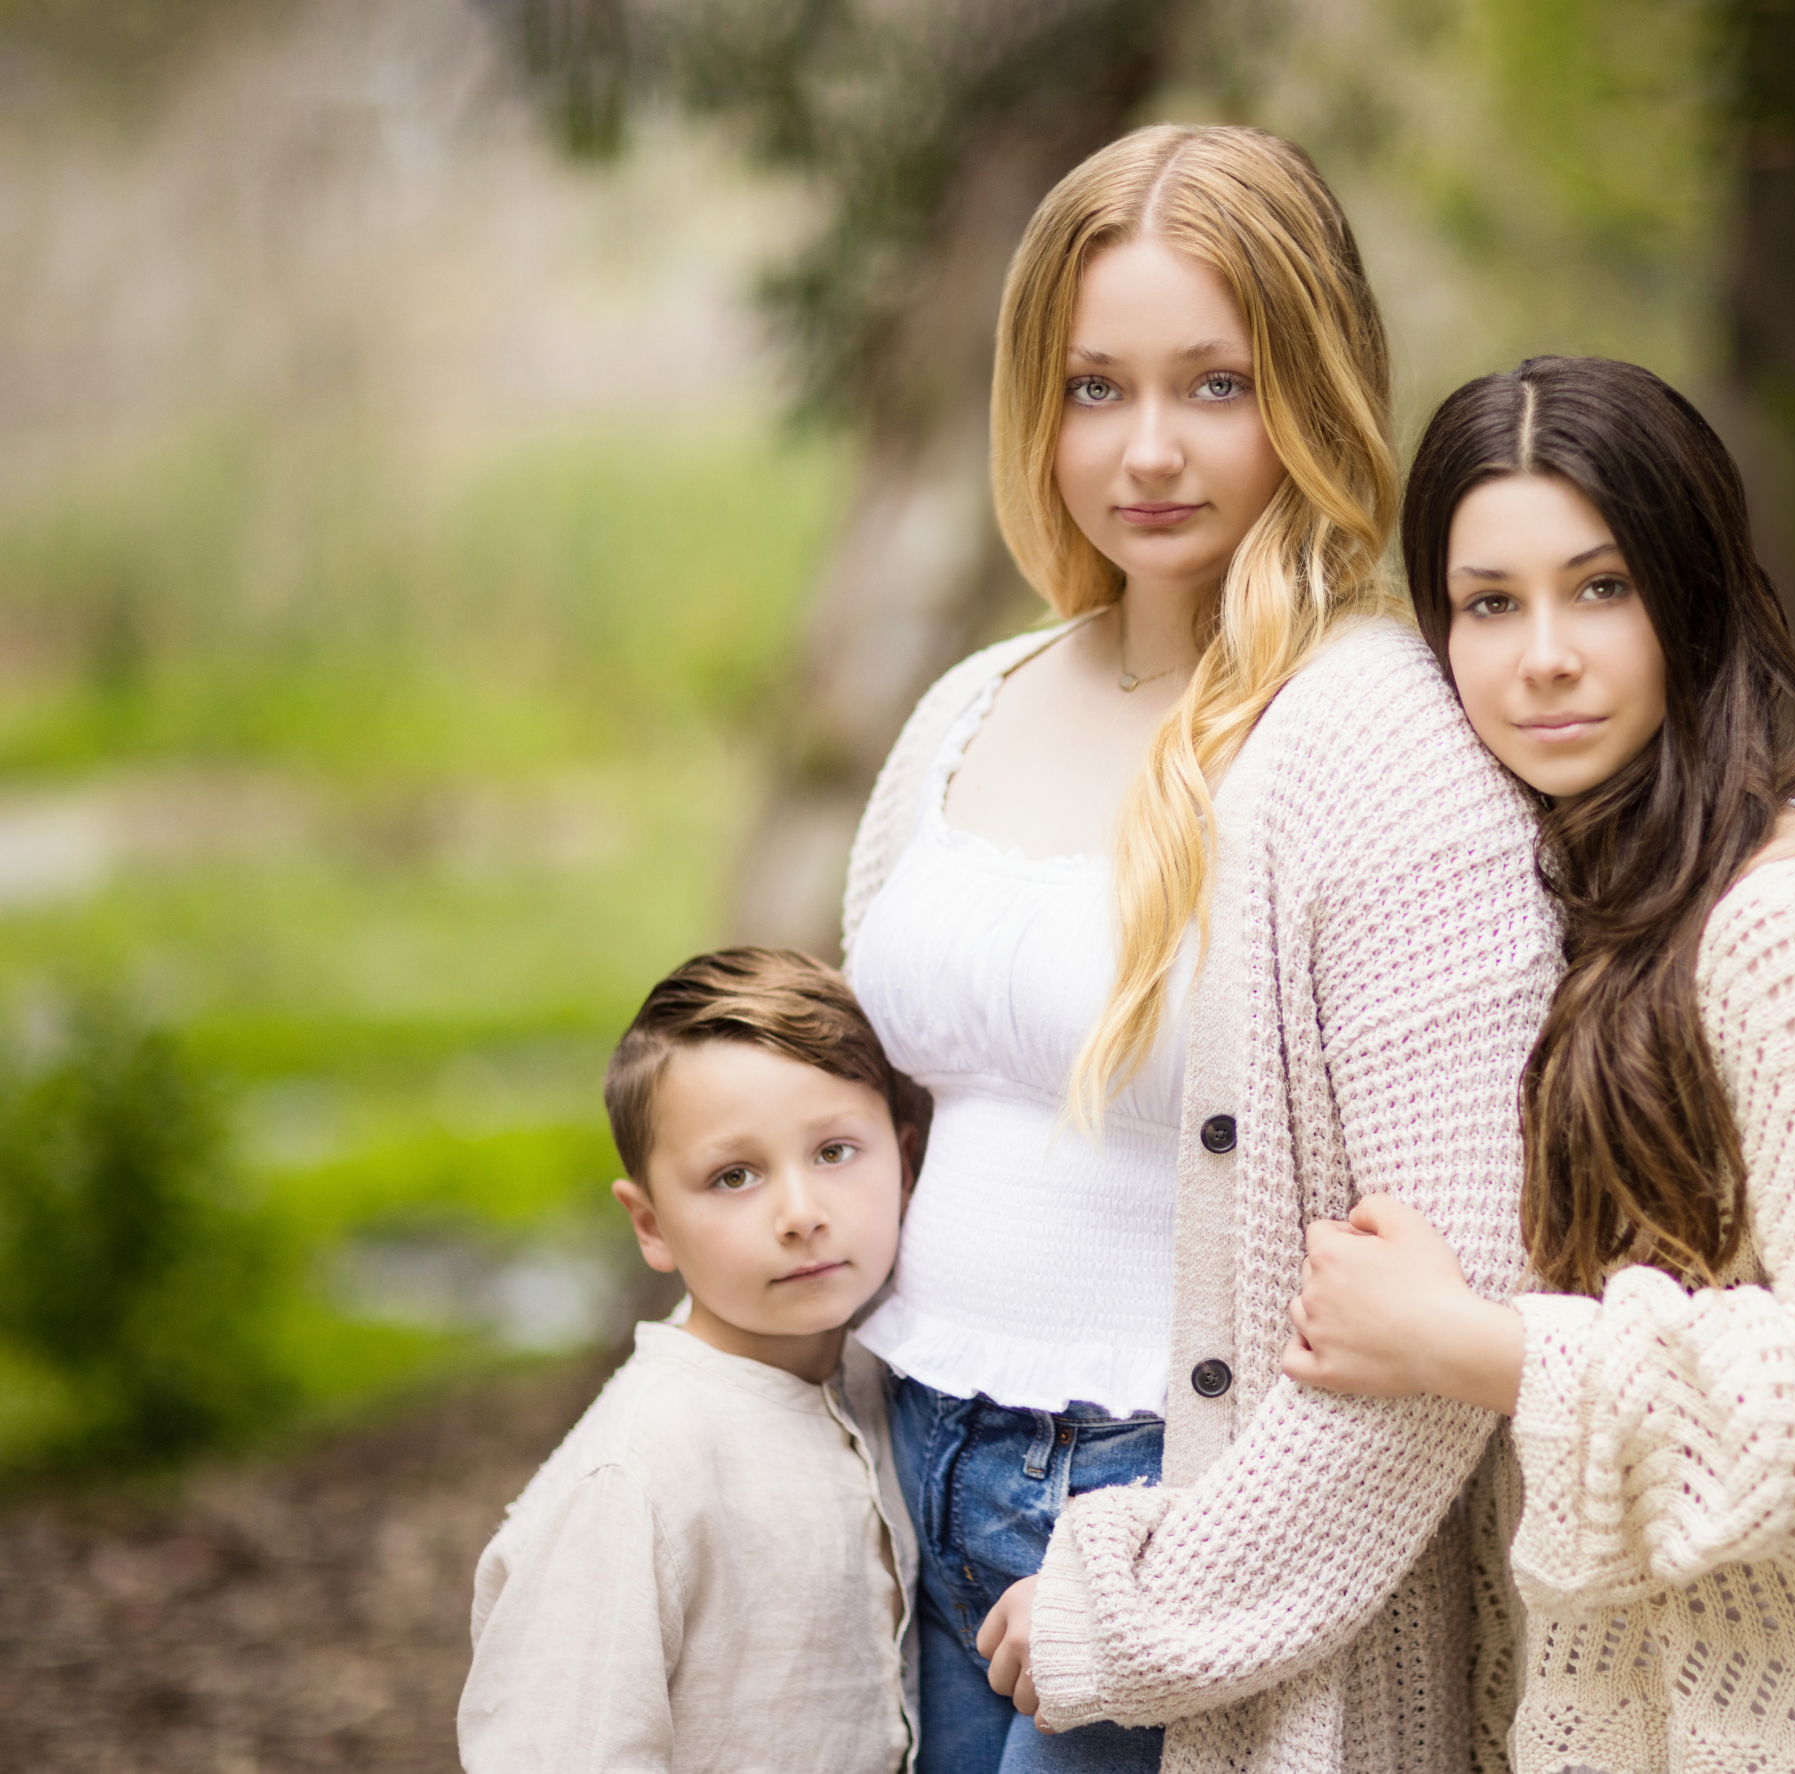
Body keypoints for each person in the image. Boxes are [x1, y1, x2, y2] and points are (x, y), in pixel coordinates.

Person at [839, 124, 1557, 1774]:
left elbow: (1462, 1288)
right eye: (1097, 387)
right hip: (916, 1475)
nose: (1147, 449)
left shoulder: (1381, 741)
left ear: (1310, 387)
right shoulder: (972, 704)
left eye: (1214, 386)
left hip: (1176, 1514)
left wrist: (1172, 1585)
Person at [1282, 356, 1795, 1773]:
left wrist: (1474, 1344)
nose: (1544, 654)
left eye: (1601, 588)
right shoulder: (1567, 915)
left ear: (1692, 594)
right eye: (1490, 603)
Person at [458, 948, 923, 1774]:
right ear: (650, 1225)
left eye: (835, 1152)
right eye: (734, 1176)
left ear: (907, 1160)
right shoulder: (636, 1476)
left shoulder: (890, 1382)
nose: (800, 1214)